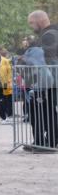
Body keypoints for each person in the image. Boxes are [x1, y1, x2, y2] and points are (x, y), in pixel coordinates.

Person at [24, 10, 58, 151]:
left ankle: (49, 143)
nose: (31, 26)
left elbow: (46, 59)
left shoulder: (49, 35)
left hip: (49, 81)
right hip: (48, 81)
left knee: (47, 111)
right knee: (45, 111)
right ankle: (43, 141)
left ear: (40, 20)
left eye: (32, 23)